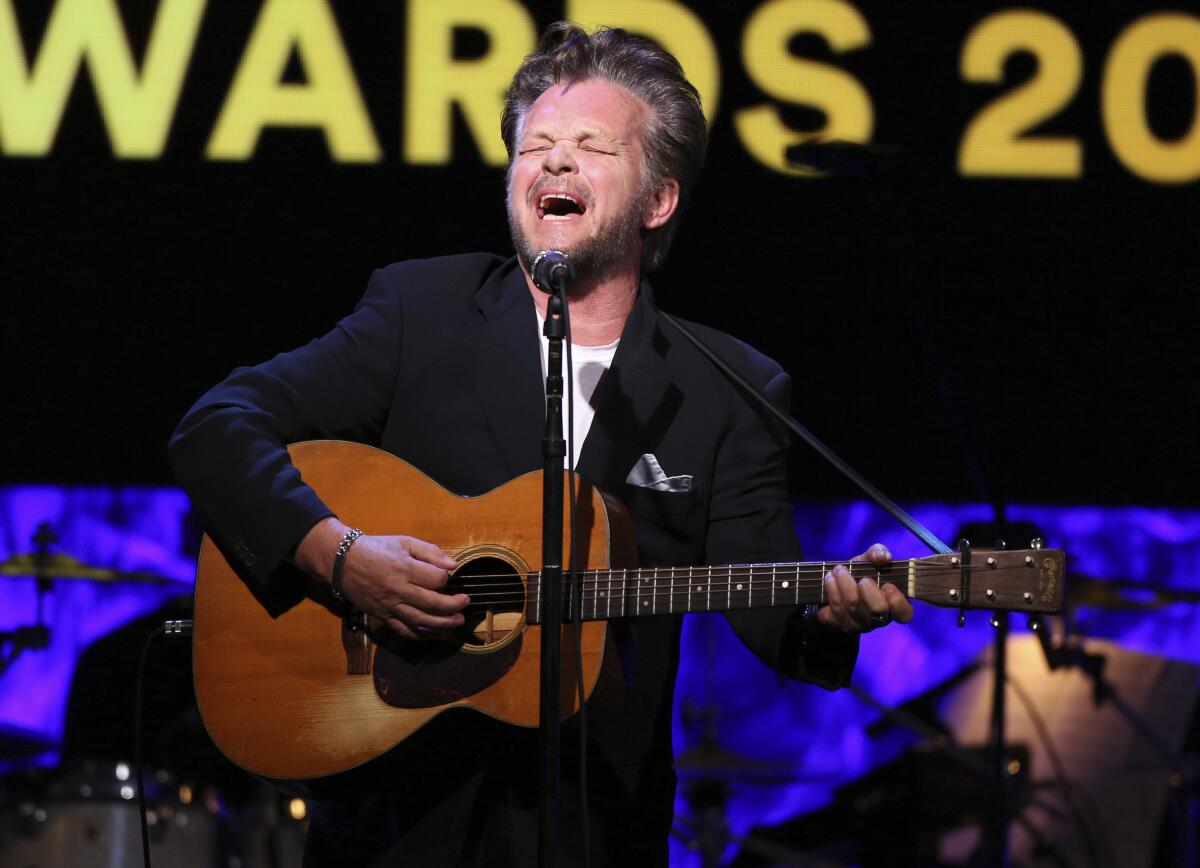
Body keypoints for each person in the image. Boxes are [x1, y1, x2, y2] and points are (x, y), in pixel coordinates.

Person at [169, 22, 913, 867]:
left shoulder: (730, 387)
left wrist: (832, 613)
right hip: (399, 814)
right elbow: (216, 427)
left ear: (658, 200)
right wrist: (340, 558)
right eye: (536, 147)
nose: (554, 163)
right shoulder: (423, 310)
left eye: (591, 146)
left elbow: (770, 606)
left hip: (594, 823)